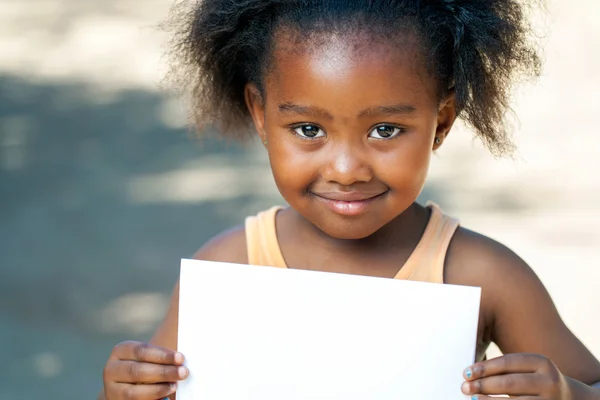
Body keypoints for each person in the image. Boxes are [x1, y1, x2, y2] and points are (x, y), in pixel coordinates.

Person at [99, 0, 600, 399]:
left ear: (441, 122)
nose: (345, 170)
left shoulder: (486, 275)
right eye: (308, 129)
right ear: (260, 114)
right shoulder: (231, 266)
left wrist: (567, 394)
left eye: (385, 130)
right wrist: (121, 392)